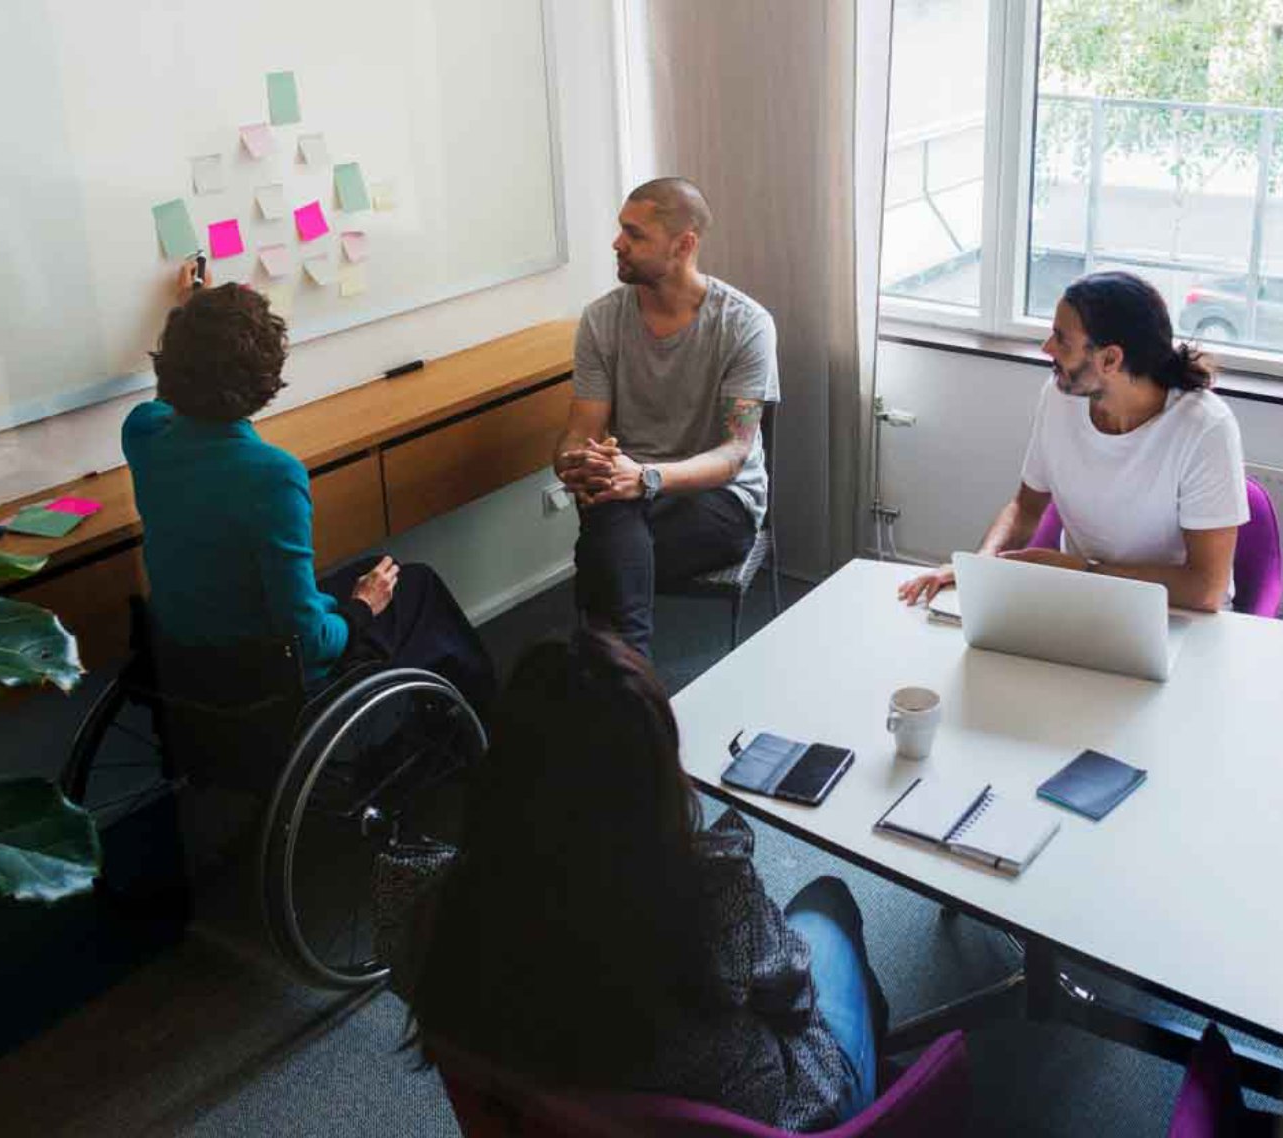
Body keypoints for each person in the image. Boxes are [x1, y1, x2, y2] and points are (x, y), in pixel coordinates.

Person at [374, 630, 889, 1132]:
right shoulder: (713, 892)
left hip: (551, 1116)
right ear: (657, 774)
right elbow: (793, 1000)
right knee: (828, 903)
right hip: (776, 1118)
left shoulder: (434, 905)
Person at [123, 265, 494, 713]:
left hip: (188, 662)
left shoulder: (142, 433)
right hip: (269, 672)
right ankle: (485, 723)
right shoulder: (271, 475)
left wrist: (190, 315)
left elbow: (169, 398)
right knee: (416, 586)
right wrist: (362, 608)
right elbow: (311, 640)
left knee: (370, 580)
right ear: (266, 378)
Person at [899, 271, 1248, 613]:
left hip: (1176, 613)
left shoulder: (1205, 428)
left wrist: (1083, 573)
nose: (1046, 348)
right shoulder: (1059, 396)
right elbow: (1025, 508)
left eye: (1061, 339)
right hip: (1083, 599)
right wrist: (981, 566)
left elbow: (1206, 589)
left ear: (1110, 359)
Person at [556, 177, 779, 658]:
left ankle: (619, 671)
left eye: (635, 235)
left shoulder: (745, 324)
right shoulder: (601, 321)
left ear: (684, 245)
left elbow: (735, 453)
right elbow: (581, 432)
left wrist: (646, 478)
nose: (617, 243)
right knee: (613, 514)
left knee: (602, 553)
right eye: (621, 230)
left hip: (719, 500)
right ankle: (635, 675)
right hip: (628, 494)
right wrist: (576, 462)